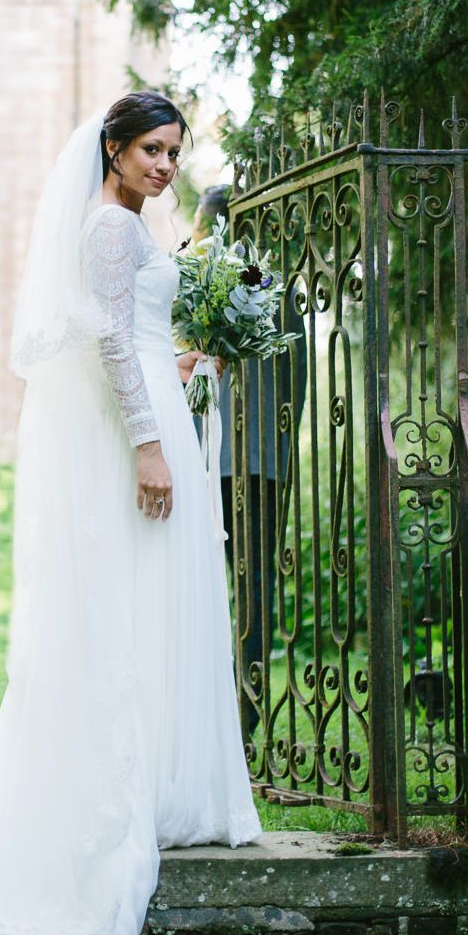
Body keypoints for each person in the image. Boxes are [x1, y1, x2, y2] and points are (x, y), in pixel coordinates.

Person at [0, 91, 261, 935]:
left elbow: (133, 335)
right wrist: (148, 444)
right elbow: (106, 343)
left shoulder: (130, 226)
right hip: (137, 435)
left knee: (154, 599)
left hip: (154, 406)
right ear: (112, 148)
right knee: (130, 602)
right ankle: (126, 789)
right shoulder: (109, 226)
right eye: (151, 150)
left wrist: (179, 363)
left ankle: (165, 782)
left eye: (173, 151)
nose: (165, 166)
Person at [190, 185, 308, 743]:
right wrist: (280, 444)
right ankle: (245, 703)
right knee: (253, 585)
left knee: (208, 581)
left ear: (213, 227)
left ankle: (218, 703)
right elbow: (297, 379)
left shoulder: (204, 285)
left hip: (212, 459)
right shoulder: (274, 287)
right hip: (261, 461)